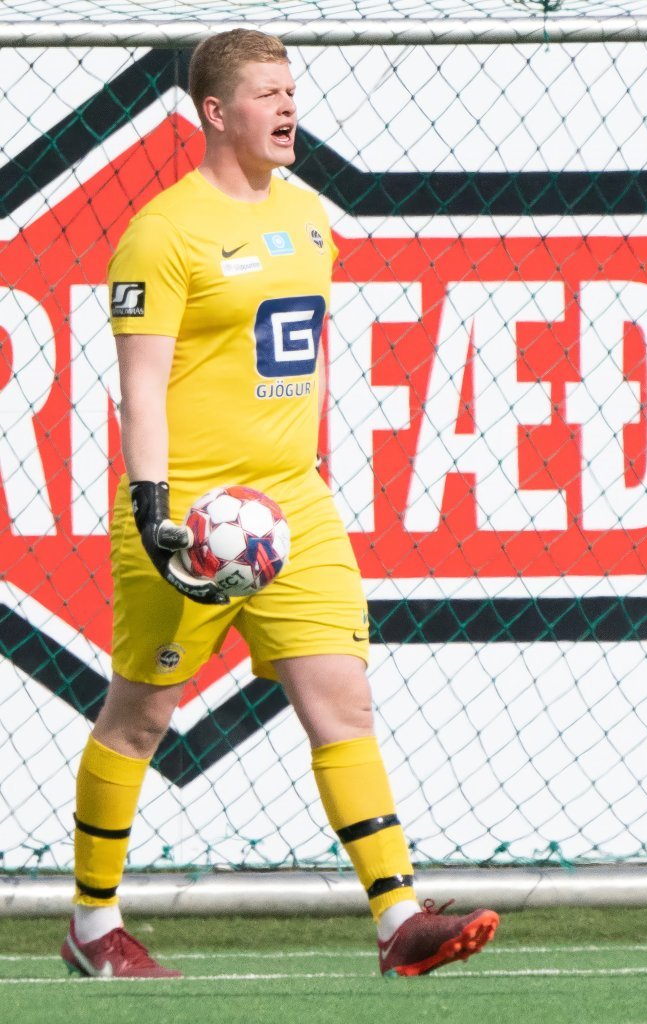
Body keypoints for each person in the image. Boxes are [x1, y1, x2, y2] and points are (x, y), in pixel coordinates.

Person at [60, 28, 499, 979]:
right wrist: (154, 510)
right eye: (267, 93)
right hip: (191, 516)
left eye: (292, 90)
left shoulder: (307, 217)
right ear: (215, 113)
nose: (289, 107)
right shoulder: (162, 232)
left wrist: (294, 472)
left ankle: (398, 918)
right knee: (139, 718)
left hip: (294, 503)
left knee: (343, 701)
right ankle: (93, 924)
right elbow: (140, 386)